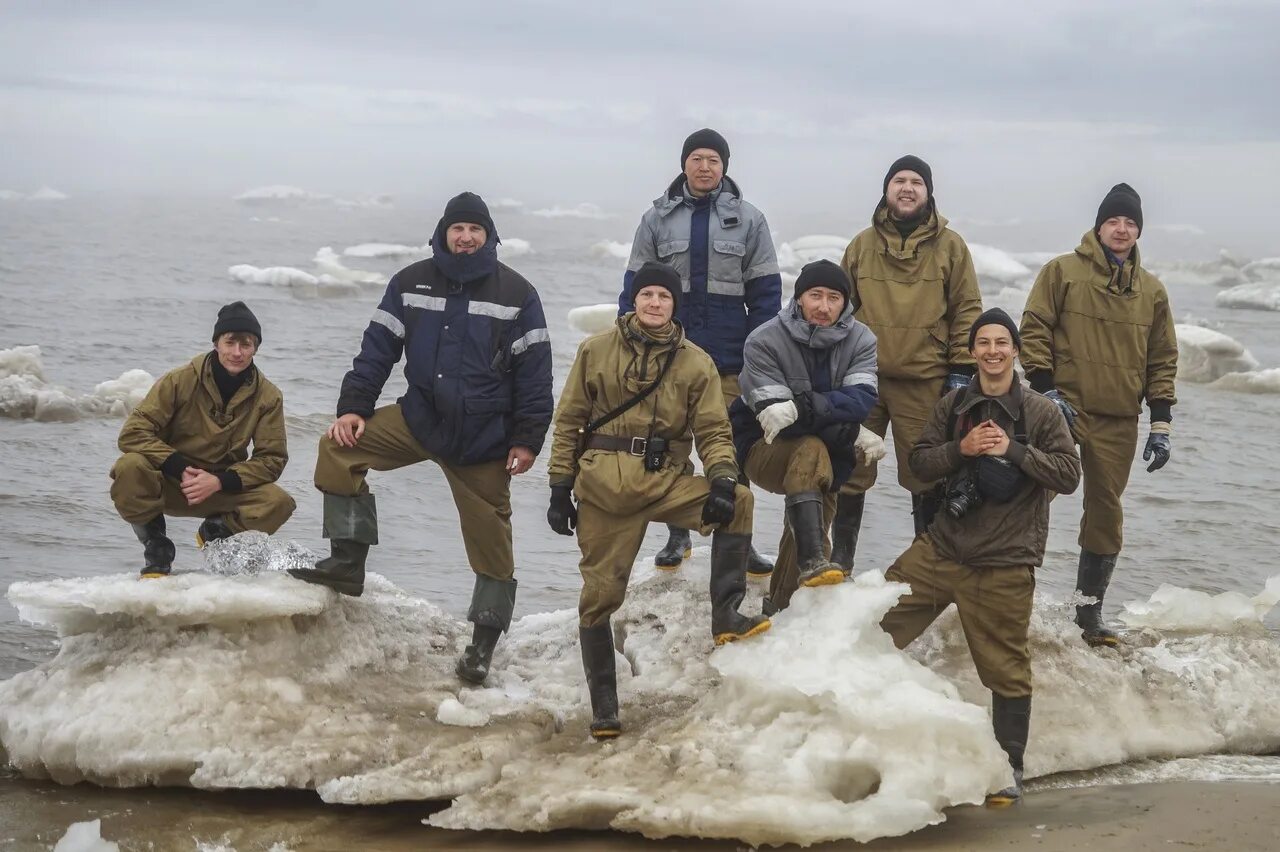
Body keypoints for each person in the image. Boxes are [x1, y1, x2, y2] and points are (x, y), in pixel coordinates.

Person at [288, 192, 554, 686]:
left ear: (490, 237)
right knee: (338, 449)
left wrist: (527, 440)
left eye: (476, 229)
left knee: (492, 539)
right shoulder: (410, 282)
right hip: (420, 419)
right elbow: (377, 350)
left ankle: (482, 644)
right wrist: (353, 408)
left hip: (484, 438)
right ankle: (347, 562)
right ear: (443, 233)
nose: (466, 237)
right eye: (458, 228)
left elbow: (535, 378)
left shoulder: (518, 293)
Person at [550, 261, 771, 740]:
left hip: (667, 481)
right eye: (647, 295)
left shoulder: (696, 361)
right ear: (634, 300)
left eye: (664, 297)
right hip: (605, 489)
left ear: (675, 304)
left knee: (740, 501)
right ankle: (605, 708)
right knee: (599, 598)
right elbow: (568, 421)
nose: (655, 303)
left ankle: (726, 615)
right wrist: (558, 488)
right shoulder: (595, 350)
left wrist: (719, 479)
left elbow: (713, 429)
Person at [879, 308, 1081, 806]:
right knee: (872, 626)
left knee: (1006, 670)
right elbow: (919, 464)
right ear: (973, 353)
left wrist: (1013, 452)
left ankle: (1009, 765)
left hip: (1005, 562)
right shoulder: (953, 404)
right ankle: (866, 742)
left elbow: (1069, 475)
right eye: (983, 343)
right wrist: (962, 448)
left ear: (1016, 351)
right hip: (941, 549)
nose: (993, 351)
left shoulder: (1041, 412)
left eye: (1001, 343)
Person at [1019, 183, 1178, 647]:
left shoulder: (1152, 291)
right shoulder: (1062, 271)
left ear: (1138, 231)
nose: (1122, 229)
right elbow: (1034, 326)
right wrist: (1045, 390)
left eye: (1130, 223)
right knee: (1033, 493)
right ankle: (1009, 592)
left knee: (1106, 511)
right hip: (1062, 410)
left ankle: (1088, 616)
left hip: (1119, 418)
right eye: (1114, 221)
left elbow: (1162, 358)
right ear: (1099, 226)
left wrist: (1161, 422)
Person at [619, 128, 782, 577]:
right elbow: (634, 287)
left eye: (713, 159)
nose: (704, 166)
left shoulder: (750, 220)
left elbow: (767, 295)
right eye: (697, 158)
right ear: (684, 164)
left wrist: (759, 352)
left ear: (724, 166)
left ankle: (740, 541)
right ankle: (677, 532)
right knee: (670, 441)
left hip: (730, 356)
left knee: (731, 445)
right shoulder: (656, 220)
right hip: (669, 355)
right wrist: (628, 342)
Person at [834, 154, 983, 570]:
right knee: (849, 468)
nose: (907, 188)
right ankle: (839, 561)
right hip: (863, 378)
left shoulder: (951, 247)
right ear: (886, 189)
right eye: (899, 180)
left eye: (916, 181)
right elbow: (840, 307)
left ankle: (928, 565)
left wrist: (960, 372)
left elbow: (967, 309)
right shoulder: (862, 244)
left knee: (927, 473)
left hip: (925, 379)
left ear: (928, 192)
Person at [729, 260, 879, 613]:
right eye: (815, 295)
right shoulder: (764, 340)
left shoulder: (862, 339)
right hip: (762, 447)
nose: (823, 306)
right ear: (798, 299)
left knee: (811, 516)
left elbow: (862, 400)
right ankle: (814, 560)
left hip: (828, 453)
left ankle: (780, 607)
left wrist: (804, 408)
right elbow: (776, 418)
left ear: (846, 303)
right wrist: (845, 423)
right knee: (810, 448)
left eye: (833, 297)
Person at [110, 301, 294, 576]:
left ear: (256, 348)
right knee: (129, 467)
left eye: (246, 344)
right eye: (230, 342)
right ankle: (156, 546)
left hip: (220, 490)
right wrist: (178, 467)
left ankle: (215, 532)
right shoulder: (179, 380)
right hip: (169, 482)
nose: (237, 352)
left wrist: (220, 481)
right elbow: (133, 432)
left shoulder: (269, 396)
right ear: (216, 342)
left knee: (278, 502)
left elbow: (272, 459)